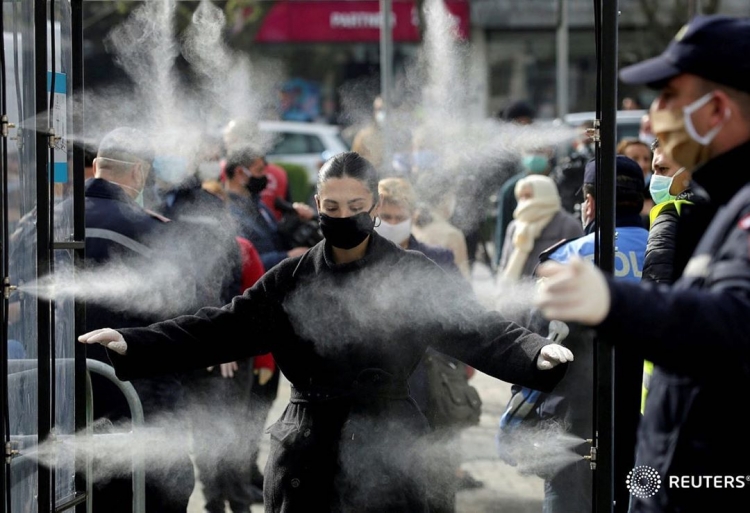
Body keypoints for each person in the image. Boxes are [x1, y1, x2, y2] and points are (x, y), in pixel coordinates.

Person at [78, 151, 574, 513]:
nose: (342, 218)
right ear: (316, 204)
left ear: (374, 205)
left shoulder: (411, 274)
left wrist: (534, 353)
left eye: (355, 206)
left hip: (391, 448)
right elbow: (220, 329)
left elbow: (478, 330)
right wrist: (134, 343)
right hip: (306, 457)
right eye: (331, 208)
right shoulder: (291, 281)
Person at [534, 15, 750, 512]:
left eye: (668, 96)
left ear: (715, 108)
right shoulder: (721, 202)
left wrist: (613, 300)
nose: (651, 119)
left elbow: (735, 324)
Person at [523, 155, 648, 513]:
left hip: (574, 420)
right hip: (649, 416)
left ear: (589, 202)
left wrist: (518, 419)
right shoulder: (668, 252)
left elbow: (537, 346)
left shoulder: (565, 258)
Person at [80, 127, 195, 513]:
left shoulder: (39, 224)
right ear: (139, 174)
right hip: (141, 404)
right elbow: (183, 317)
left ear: (96, 166)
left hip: (58, 399)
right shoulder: (156, 234)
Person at [498, 174, 583, 283]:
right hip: (516, 295)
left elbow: (578, 268)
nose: (524, 201)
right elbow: (504, 265)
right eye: (521, 196)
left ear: (544, 194)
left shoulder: (567, 225)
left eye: (528, 196)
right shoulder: (515, 227)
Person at [617, 137, 654, 225]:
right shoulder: (613, 197)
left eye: (646, 159)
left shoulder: (659, 195)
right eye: (635, 159)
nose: (642, 165)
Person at [351, 95, 385, 172]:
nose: (382, 113)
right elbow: (353, 162)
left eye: (385, 109)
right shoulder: (363, 136)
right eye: (379, 109)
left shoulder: (399, 135)